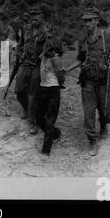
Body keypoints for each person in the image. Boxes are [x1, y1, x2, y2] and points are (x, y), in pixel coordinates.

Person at [63, 8, 110, 156]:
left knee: (106, 110)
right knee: (88, 112)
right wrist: (67, 69)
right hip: (88, 81)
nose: (87, 24)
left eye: (89, 20)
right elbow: (80, 59)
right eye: (85, 21)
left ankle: (104, 125)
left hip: (105, 80)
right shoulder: (83, 40)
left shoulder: (108, 35)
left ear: (96, 21)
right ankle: (92, 141)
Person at [14, 7, 47, 134]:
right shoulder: (25, 28)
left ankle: (33, 122)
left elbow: (51, 46)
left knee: (33, 95)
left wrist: (45, 54)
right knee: (18, 90)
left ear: (41, 18)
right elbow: (20, 43)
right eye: (32, 19)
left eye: (37, 19)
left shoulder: (46, 31)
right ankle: (25, 108)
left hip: (38, 65)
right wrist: (17, 54)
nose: (34, 21)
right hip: (24, 63)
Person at [35, 26, 65, 155]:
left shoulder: (55, 58)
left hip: (52, 89)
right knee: (39, 117)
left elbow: (60, 74)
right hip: (43, 88)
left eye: (48, 43)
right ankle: (55, 133)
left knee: (49, 119)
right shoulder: (44, 55)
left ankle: (46, 149)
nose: (46, 44)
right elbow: (39, 47)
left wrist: (60, 82)